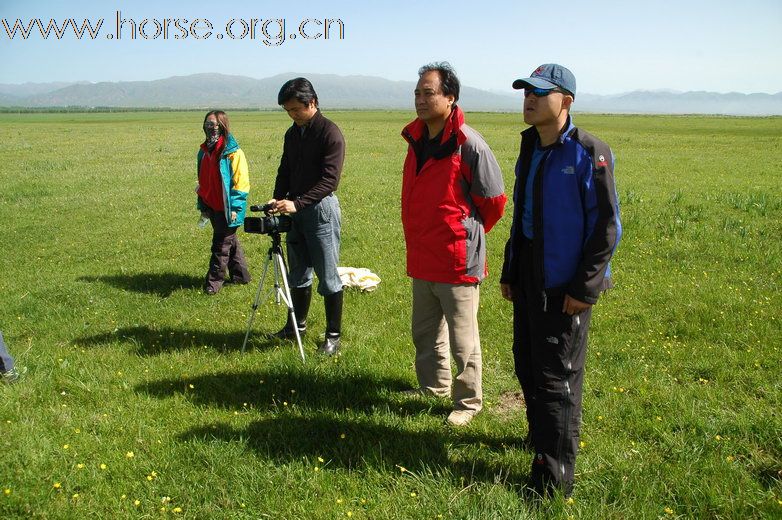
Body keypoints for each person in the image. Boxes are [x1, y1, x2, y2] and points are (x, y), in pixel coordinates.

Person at [500, 64, 622, 497]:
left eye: (540, 92)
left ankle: (553, 483)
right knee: (527, 361)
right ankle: (540, 441)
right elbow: (523, 214)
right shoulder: (530, 145)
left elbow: (607, 226)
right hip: (531, 269)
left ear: (566, 101)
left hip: (566, 280)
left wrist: (584, 288)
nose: (529, 99)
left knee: (558, 377)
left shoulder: (589, 151)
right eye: (525, 92)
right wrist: (511, 270)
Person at [401, 62, 507, 426]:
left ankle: (468, 402)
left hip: (457, 259)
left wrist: (464, 231)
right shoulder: (416, 139)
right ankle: (434, 387)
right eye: (417, 92)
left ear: (450, 97)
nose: (420, 99)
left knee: (464, 341)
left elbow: (493, 202)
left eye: (429, 92)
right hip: (423, 256)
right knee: (425, 333)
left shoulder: (469, 143)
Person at [268, 78, 346, 356]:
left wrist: (298, 203)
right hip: (294, 209)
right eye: (287, 111)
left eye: (295, 110)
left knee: (327, 276)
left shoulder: (330, 133)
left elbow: (330, 181)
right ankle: (295, 327)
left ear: (311, 102)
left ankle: (333, 338)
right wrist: (278, 199)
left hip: (320, 211)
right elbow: (285, 169)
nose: (292, 116)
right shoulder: (292, 134)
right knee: (298, 274)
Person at [196, 110, 251, 295]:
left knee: (220, 246)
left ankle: (213, 284)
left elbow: (241, 183)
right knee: (230, 242)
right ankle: (241, 276)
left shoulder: (233, 153)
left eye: (213, 124)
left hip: (228, 209)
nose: (209, 127)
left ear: (223, 126)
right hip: (212, 206)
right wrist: (203, 203)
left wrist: (235, 208)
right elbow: (202, 179)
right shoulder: (203, 151)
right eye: (207, 123)